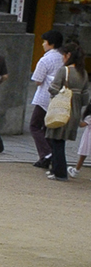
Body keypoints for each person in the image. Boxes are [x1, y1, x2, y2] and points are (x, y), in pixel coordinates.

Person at [42, 44, 86, 181]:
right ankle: (56, 169)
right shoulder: (83, 73)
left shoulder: (64, 70)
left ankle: (60, 171)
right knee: (60, 140)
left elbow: (53, 88)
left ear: (68, 55)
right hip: (75, 110)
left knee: (57, 140)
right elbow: (86, 98)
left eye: (64, 54)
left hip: (61, 109)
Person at [30, 30, 66, 169]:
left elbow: (38, 80)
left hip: (44, 96)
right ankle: (48, 157)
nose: (43, 44)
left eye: (45, 42)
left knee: (35, 125)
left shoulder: (45, 59)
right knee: (48, 127)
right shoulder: (63, 57)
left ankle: (46, 153)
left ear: (51, 43)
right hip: (59, 97)